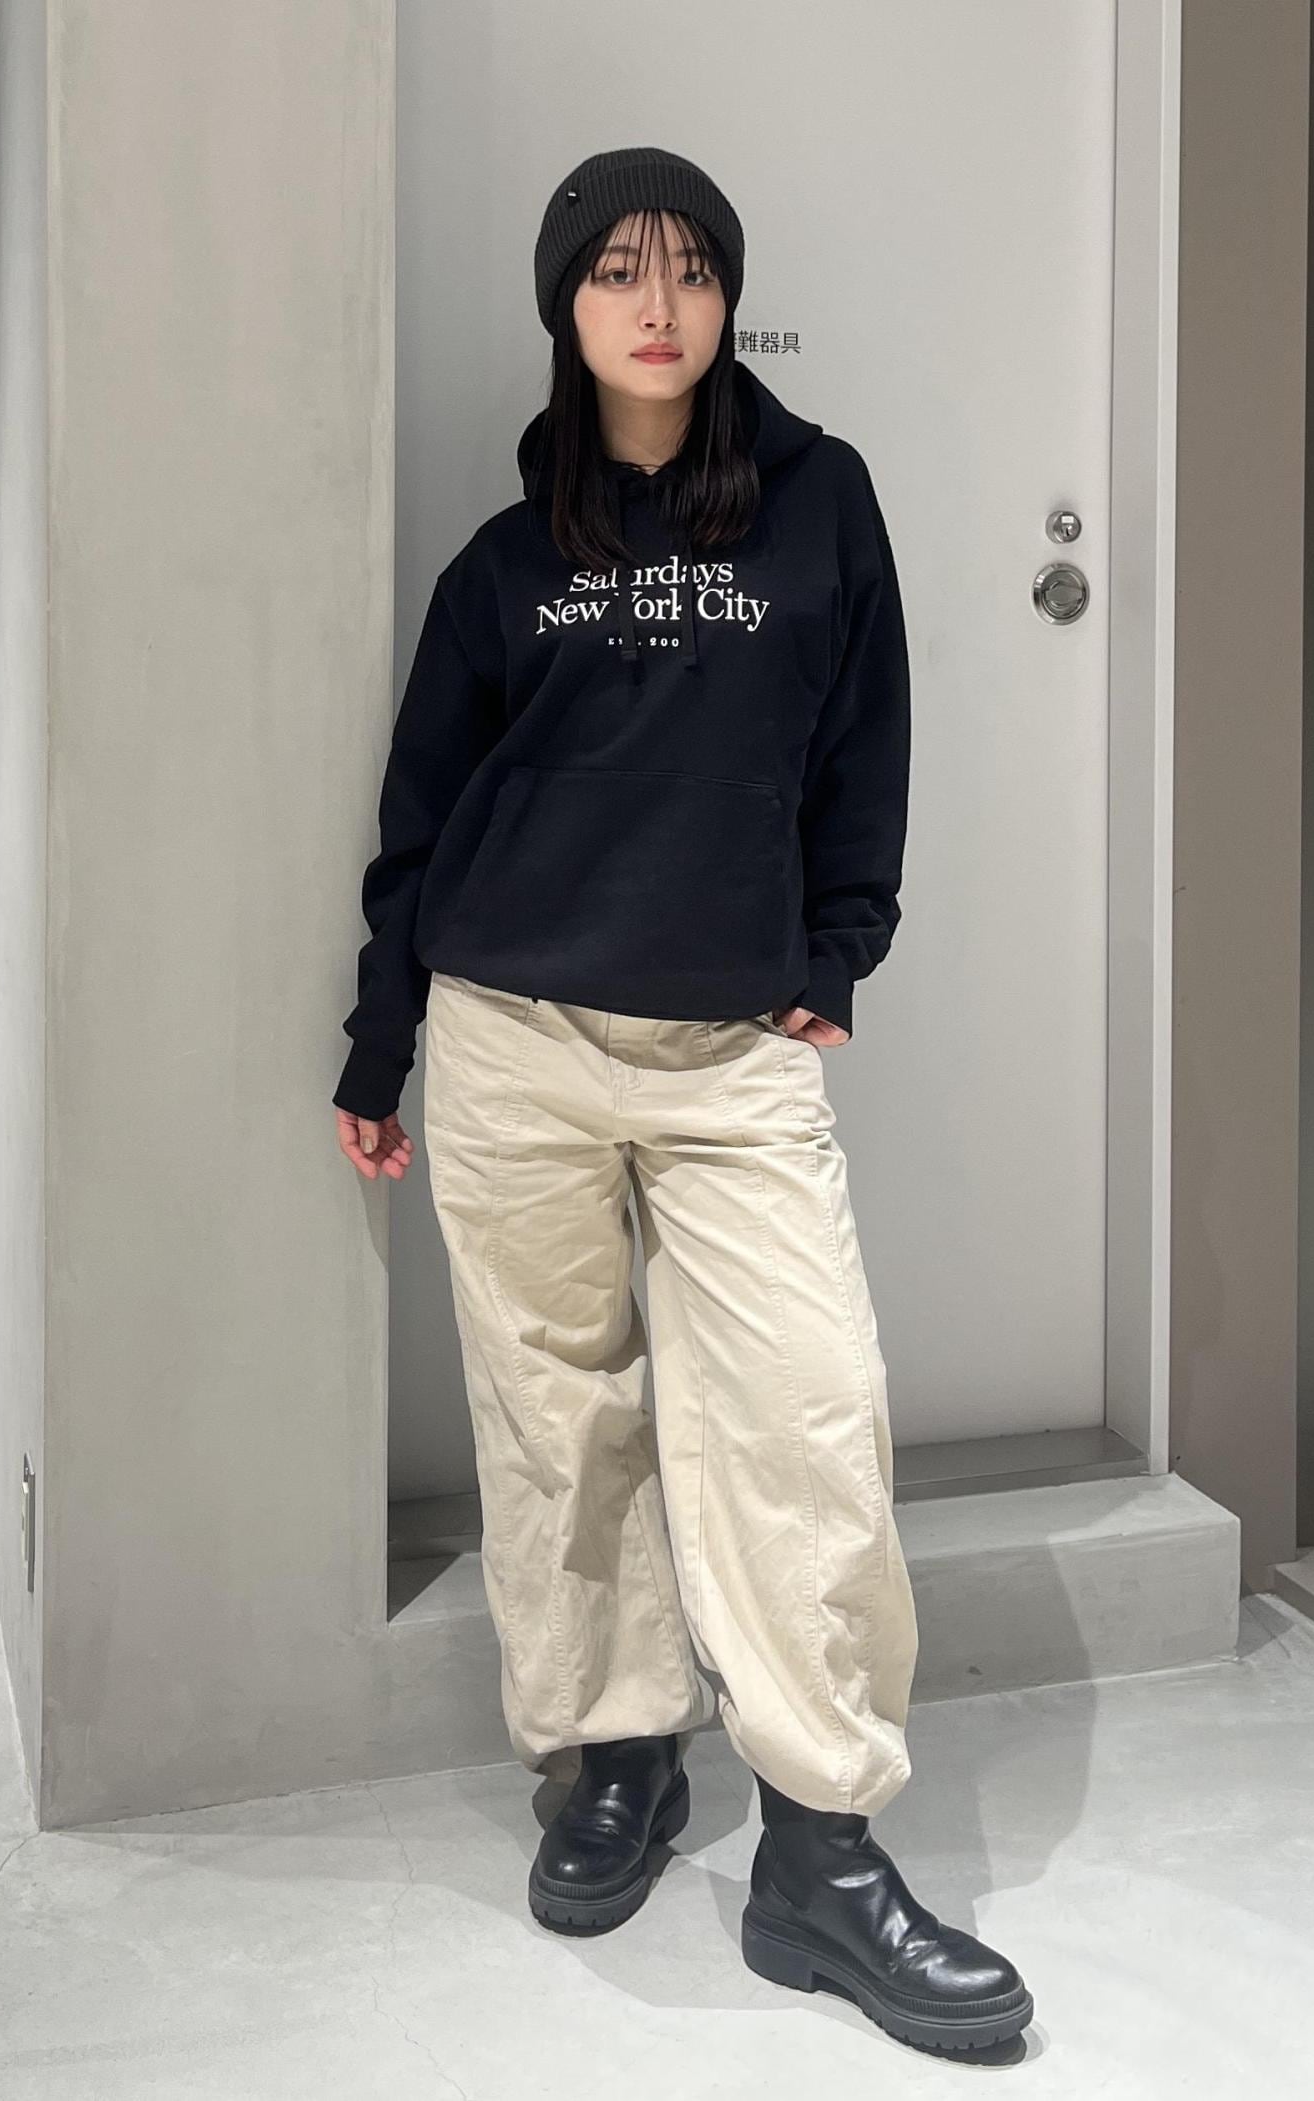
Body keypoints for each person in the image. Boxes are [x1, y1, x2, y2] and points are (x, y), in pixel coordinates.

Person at [331, 145, 1033, 2057]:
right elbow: (418, 823)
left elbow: (869, 737)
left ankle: (821, 1845)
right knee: (559, 1417)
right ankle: (618, 1751)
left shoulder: (821, 502)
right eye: (616, 271)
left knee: (806, 1411)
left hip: (729, 1051)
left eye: (692, 269)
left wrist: (841, 946)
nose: (658, 304)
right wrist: (382, 1042)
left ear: (728, 296)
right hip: (510, 1036)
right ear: (564, 307)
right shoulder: (503, 563)